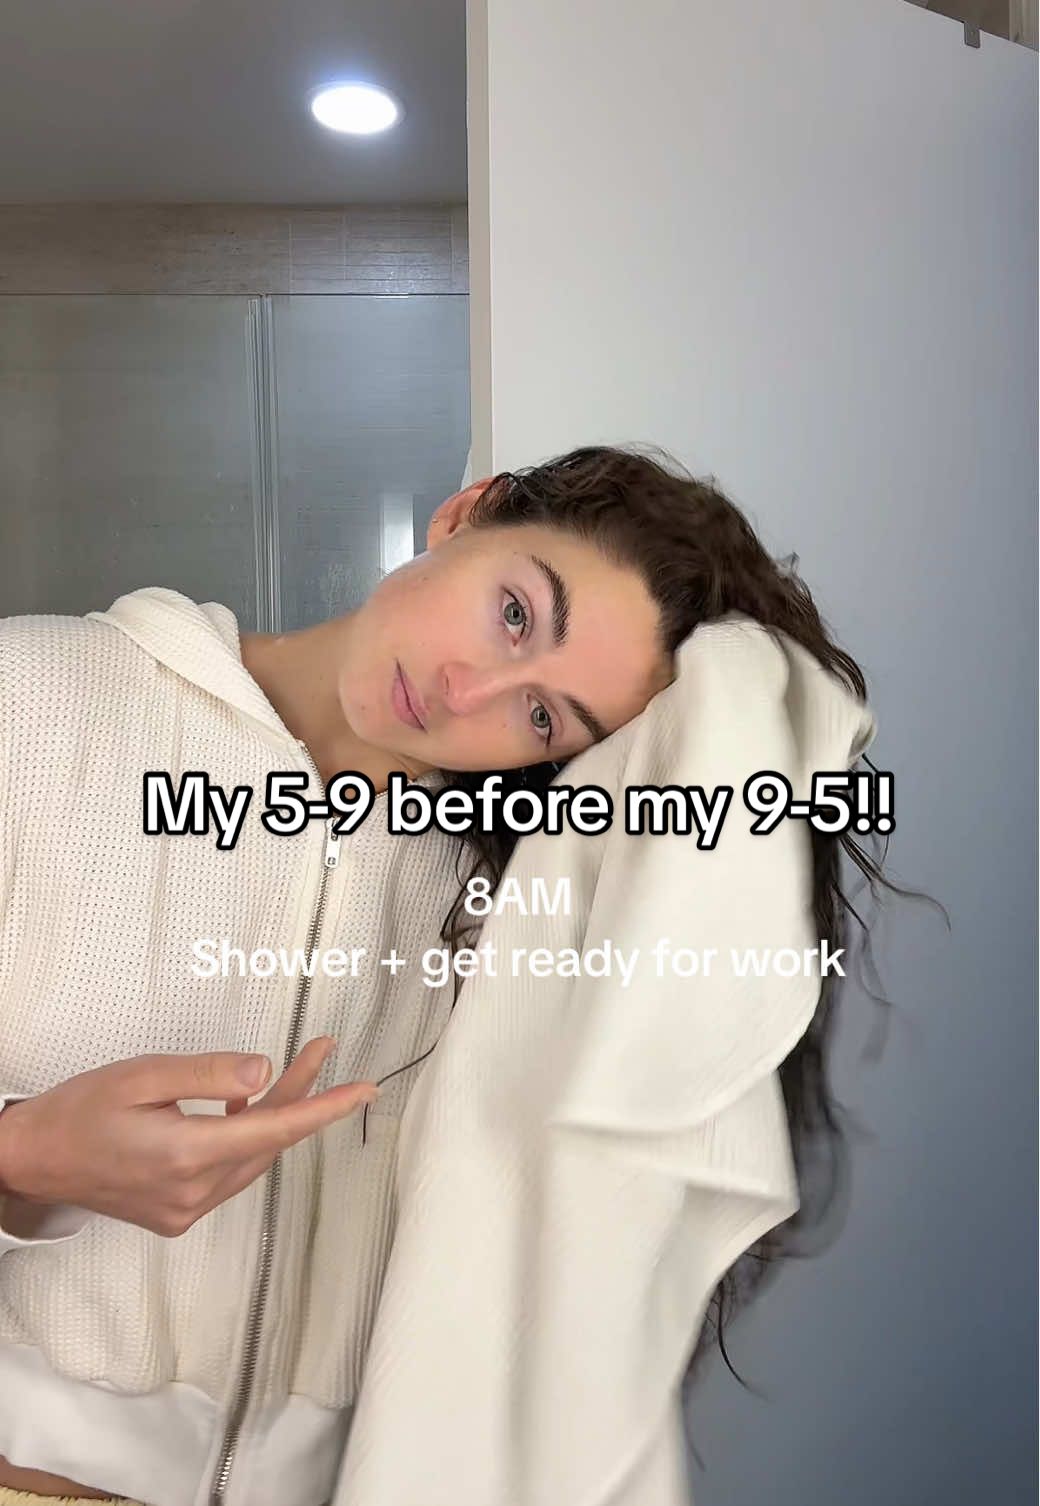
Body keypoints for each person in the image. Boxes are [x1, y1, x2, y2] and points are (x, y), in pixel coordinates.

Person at [0, 443, 904, 1506]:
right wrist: (27, 1158)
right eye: (515, 614)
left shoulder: (522, 922)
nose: (465, 692)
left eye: (543, 717)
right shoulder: (35, 702)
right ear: (469, 514)